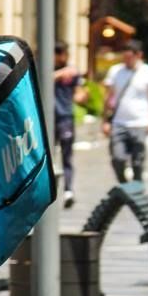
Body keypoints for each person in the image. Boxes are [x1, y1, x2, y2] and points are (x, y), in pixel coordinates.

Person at [103, 39, 148, 183]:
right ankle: (124, 186)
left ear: (138, 55)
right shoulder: (115, 71)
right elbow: (109, 97)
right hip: (119, 122)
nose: (126, 60)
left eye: (129, 57)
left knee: (138, 162)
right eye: (124, 57)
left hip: (141, 123)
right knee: (118, 158)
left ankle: (137, 189)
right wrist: (105, 120)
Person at [52, 41, 79, 209]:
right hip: (47, 118)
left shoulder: (72, 71)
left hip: (65, 118)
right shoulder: (47, 69)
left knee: (66, 156)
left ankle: (68, 190)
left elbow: (76, 76)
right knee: (48, 156)